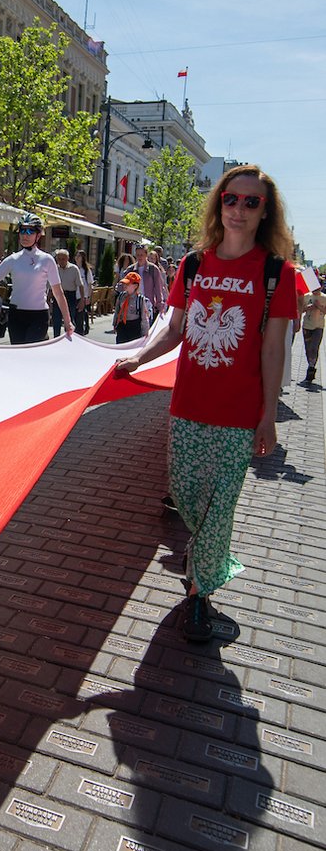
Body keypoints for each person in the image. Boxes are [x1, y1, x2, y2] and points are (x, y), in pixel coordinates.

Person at [115, 164, 296, 643]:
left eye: (251, 202)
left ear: (265, 211)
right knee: (191, 502)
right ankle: (206, 567)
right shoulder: (195, 264)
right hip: (187, 406)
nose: (239, 209)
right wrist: (137, 358)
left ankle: (199, 595)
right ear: (220, 204)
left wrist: (268, 417)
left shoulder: (278, 274)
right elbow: (174, 330)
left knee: (219, 510)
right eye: (231, 199)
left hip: (238, 414)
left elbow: (274, 348)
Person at [0, 213, 73, 344]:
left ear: (38, 235)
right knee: (18, 358)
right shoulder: (12, 259)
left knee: (30, 356)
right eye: (22, 230)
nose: (25, 235)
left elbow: (58, 293)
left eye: (30, 231)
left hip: (39, 316)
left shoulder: (47, 260)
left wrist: (68, 322)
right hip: (16, 315)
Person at [121, 243, 167, 318]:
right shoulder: (130, 269)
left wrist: (160, 306)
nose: (140, 257)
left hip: (148, 306)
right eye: (138, 255)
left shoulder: (153, 269)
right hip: (133, 306)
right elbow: (123, 286)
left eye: (142, 254)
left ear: (146, 255)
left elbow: (159, 289)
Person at [51, 248, 81, 338]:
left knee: (70, 319)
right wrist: (48, 298)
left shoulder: (74, 269)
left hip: (70, 296)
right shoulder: (55, 269)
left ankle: (70, 338)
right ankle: (56, 339)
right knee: (56, 319)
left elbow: (80, 285)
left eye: (63, 259)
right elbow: (50, 285)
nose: (61, 261)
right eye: (59, 259)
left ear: (67, 258)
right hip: (57, 296)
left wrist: (83, 299)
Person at [112, 270, 150, 343]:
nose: (125, 286)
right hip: (122, 326)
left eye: (128, 284)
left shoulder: (140, 299)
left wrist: (145, 332)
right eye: (124, 284)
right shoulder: (121, 296)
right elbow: (117, 311)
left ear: (135, 286)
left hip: (134, 327)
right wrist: (115, 324)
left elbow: (144, 317)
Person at [301, 278, 326, 384]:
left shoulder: (324, 298)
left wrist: (319, 307)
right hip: (307, 325)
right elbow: (301, 309)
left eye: (318, 287)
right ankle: (310, 365)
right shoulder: (307, 296)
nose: (316, 289)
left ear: (322, 287)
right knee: (308, 349)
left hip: (318, 326)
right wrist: (308, 308)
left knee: (314, 348)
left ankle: (311, 369)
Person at [74, 248, 94, 335]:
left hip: (81, 297)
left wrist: (88, 297)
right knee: (74, 317)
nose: (77, 257)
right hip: (73, 295)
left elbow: (90, 285)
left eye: (79, 256)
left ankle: (80, 333)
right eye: (76, 256)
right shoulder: (73, 268)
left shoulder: (86, 271)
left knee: (80, 317)